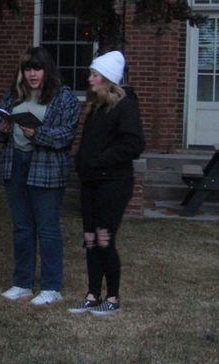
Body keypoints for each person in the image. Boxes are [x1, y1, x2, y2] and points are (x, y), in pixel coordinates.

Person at [0, 46, 80, 305]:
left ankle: (51, 287)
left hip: (46, 167)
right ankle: (22, 283)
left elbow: (66, 134)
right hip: (16, 163)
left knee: (47, 228)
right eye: (28, 68)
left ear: (47, 70)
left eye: (37, 68)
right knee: (22, 228)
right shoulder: (13, 95)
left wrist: (38, 134)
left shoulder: (63, 97)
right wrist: (3, 128)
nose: (32, 74)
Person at [69, 50, 145, 315]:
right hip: (91, 182)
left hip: (113, 183)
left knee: (104, 239)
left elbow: (134, 144)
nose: (89, 79)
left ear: (107, 79)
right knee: (90, 238)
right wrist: (82, 163)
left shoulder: (125, 106)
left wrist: (101, 160)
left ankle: (112, 297)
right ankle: (92, 294)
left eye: (94, 75)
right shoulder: (96, 105)